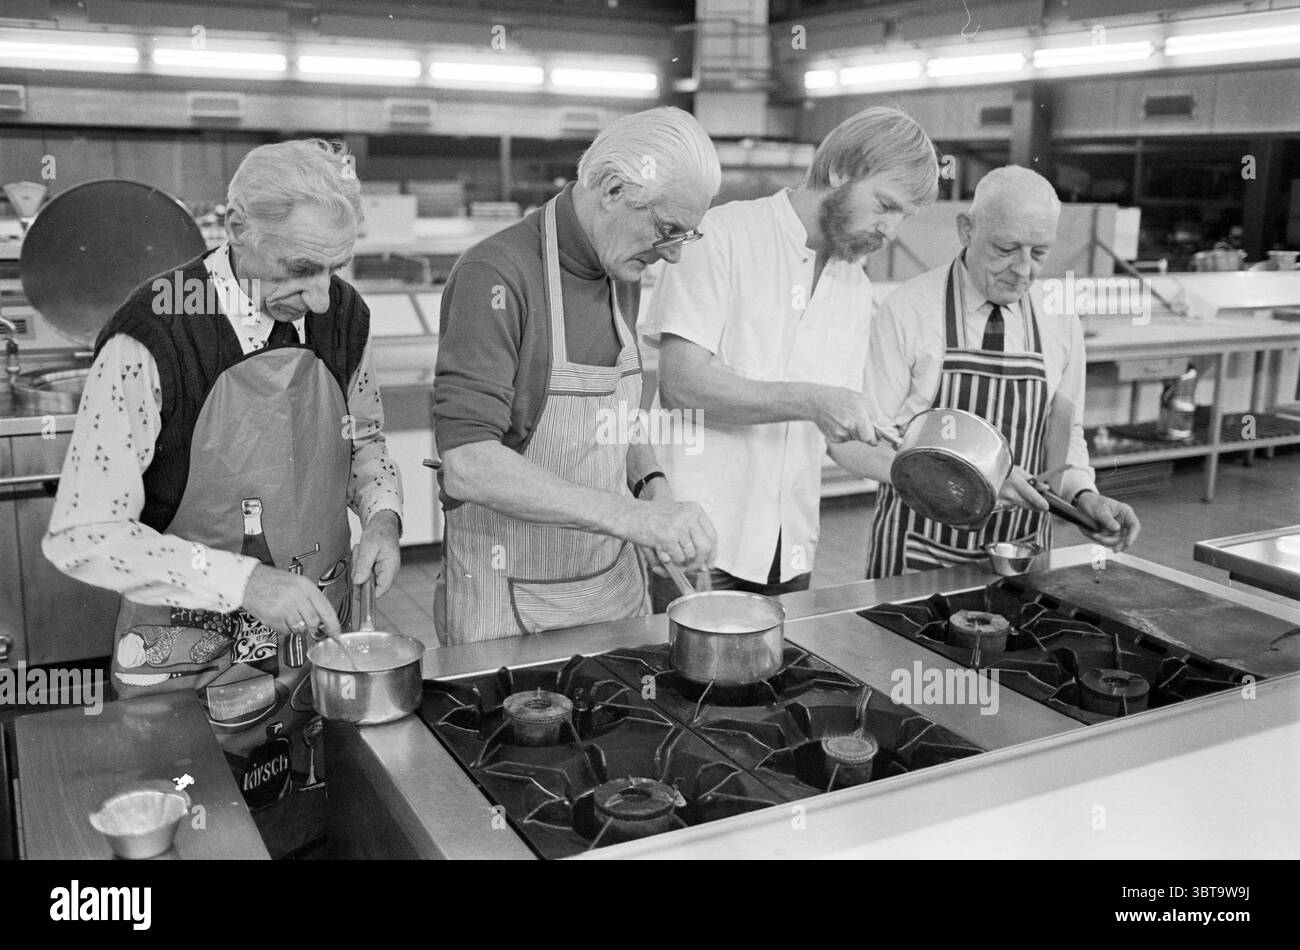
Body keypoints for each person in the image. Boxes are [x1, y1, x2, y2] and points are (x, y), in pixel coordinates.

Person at [43, 139, 403, 856]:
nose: (323, 295)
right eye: (300, 268)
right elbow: (83, 532)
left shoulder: (343, 316)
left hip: (310, 650)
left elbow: (364, 438)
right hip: (186, 664)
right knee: (205, 836)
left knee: (306, 824)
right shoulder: (155, 336)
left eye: (337, 266)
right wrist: (244, 580)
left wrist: (385, 517)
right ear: (236, 230)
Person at [433, 106, 720, 643]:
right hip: (510, 602)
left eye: (687, 235)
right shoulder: (495, 275)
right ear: (612, 189)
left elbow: (618, 415)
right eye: (667, 230)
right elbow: (469, 465)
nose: (674, 255)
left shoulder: (621, 268)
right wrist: (632, 519)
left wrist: (652, 489)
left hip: (612, 587)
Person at [640, 107, 938, 610]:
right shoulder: (723, 237)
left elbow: (840, 440)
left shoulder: (853, 285)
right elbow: (682, 386)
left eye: (903, 217)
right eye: (885, 205)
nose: (890, 230)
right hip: (698, 540)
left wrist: (934, 477)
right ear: (841, 170)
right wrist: (813, 400)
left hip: (788, 549)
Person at [831, 165, 1140, 578]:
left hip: (1021, 555)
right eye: (1006, 248)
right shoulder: (909, 310)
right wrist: (960, 480)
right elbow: (854, 443)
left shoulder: (1060, 321)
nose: (1024, 269)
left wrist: (1084, 496)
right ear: (966, 230)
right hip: (918, 555)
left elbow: (1066, 436)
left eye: (1040, 252)